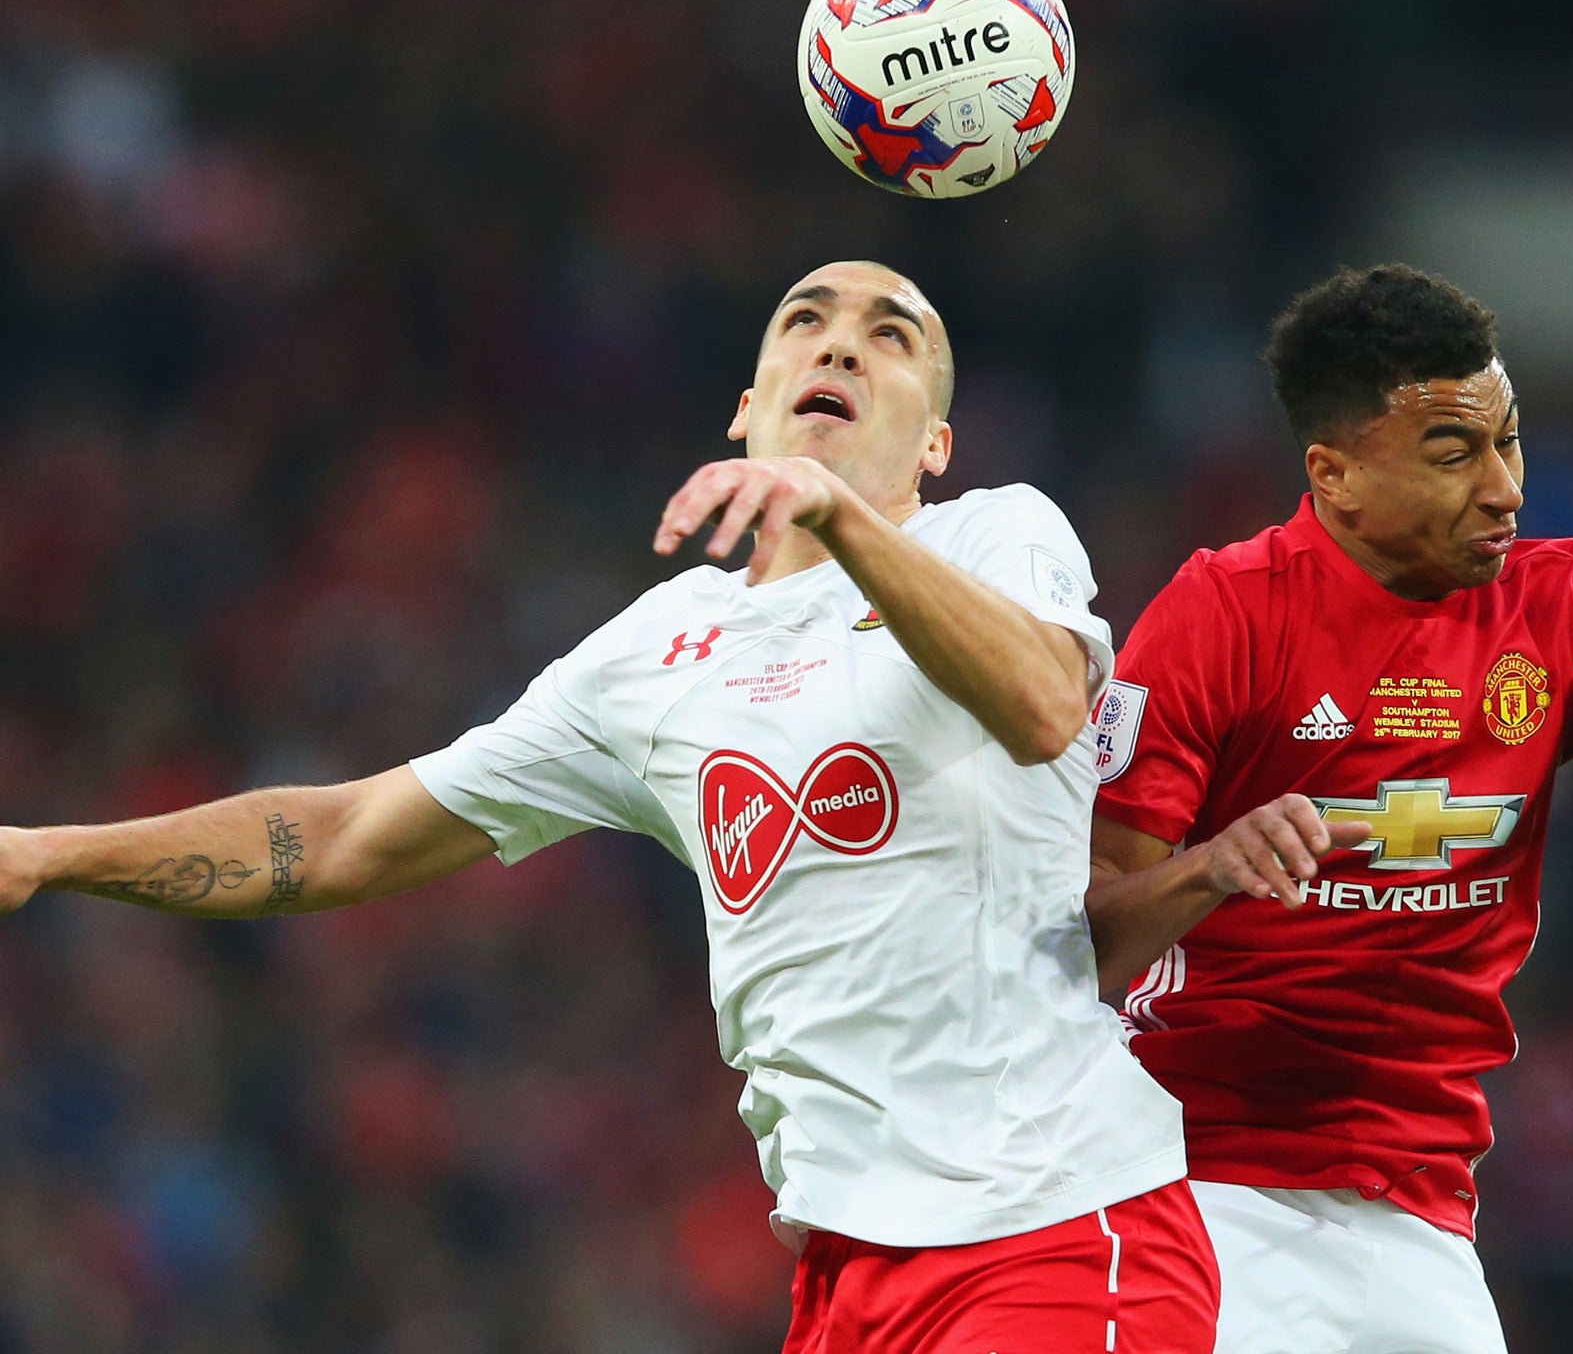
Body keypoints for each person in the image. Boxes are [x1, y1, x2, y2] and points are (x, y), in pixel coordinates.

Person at [0, 260, 1220, 1354]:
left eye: (891, 335)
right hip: (851, 1272)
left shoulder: (998, 534)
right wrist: (47, 854)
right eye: (806, 321)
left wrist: (841, 518)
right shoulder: (656, 651)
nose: (841, 345)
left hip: (1057, 1228)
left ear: (938, 442)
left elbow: (1045, 706)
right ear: (746, 410)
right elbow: (347, 834)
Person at [1085, 263, 1573, 1354]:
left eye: (1508, 441)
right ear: (1333, 475)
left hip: (1421, 1209)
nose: (1503, 487)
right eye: (1453, 454)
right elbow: (1087, 946)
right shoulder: (1219, 616)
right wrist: (1211, 866)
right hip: (1204, 1185)